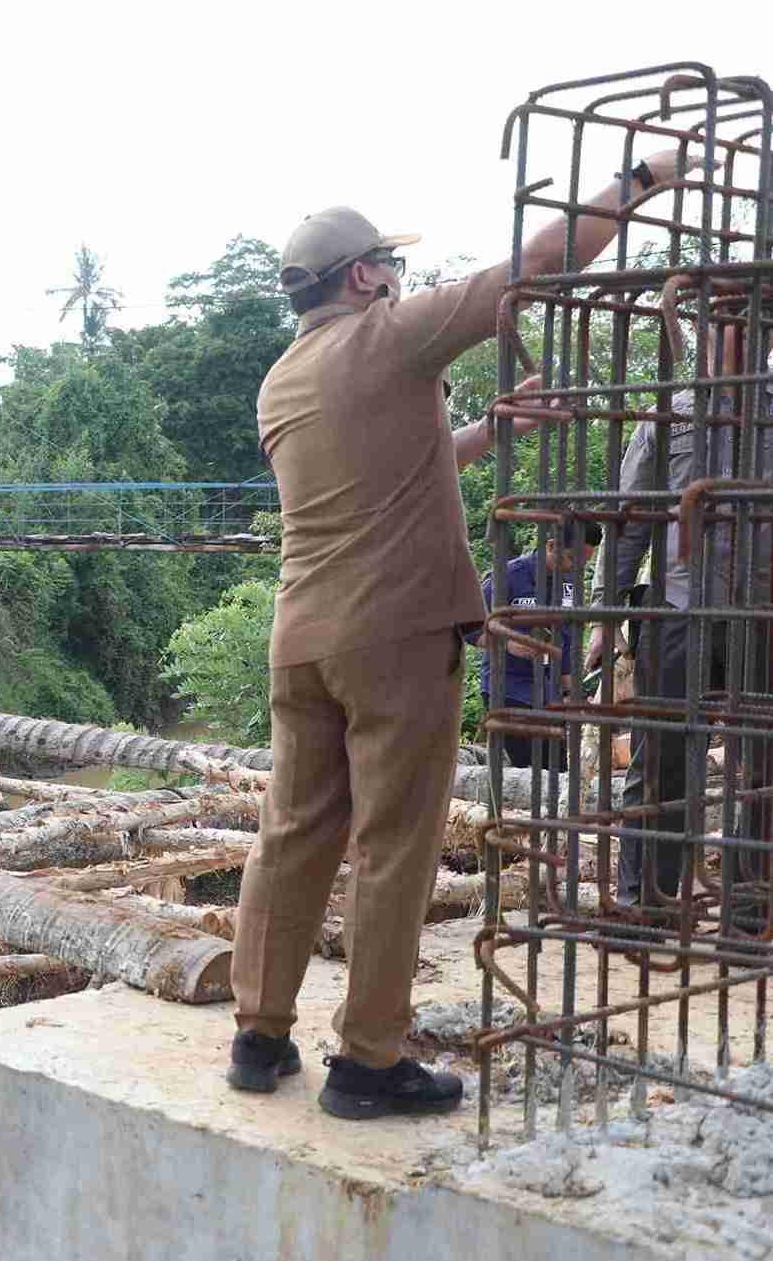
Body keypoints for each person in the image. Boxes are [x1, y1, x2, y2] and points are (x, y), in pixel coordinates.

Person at [227, 145, 701, 1120]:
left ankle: (259, 1034)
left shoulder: (285, 379)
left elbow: (404, 454)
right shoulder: (389, 334)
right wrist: (640, 182)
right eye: (386, 266)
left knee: (291, 837)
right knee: (396, 844)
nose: (396, 277)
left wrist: (495, 427)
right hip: (395, 635)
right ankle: (367, 1059)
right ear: (363, 275)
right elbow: (536, 267)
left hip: (302, 637)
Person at [584, 325, 772, 928]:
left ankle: (750, 917)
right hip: (675, 610)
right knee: (661, 761)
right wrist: (605, 617)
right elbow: (628, 517)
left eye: (750, 325)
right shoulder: (668, 415)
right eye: (722, 324)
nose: (737, 338)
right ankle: (649, 905)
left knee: (764, 768)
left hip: (763, 615)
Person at [479, 522, 602, 771]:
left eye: (584, 562)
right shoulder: (508, 577)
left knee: (556, 771)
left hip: (548, 692)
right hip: (508, 689)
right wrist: (508, 644)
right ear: (551, 546)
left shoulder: (571, 583)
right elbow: (471, 626)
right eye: (571, 559)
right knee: (528, 771)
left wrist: (571, 693)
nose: (577, 567)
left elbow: (565, 642)